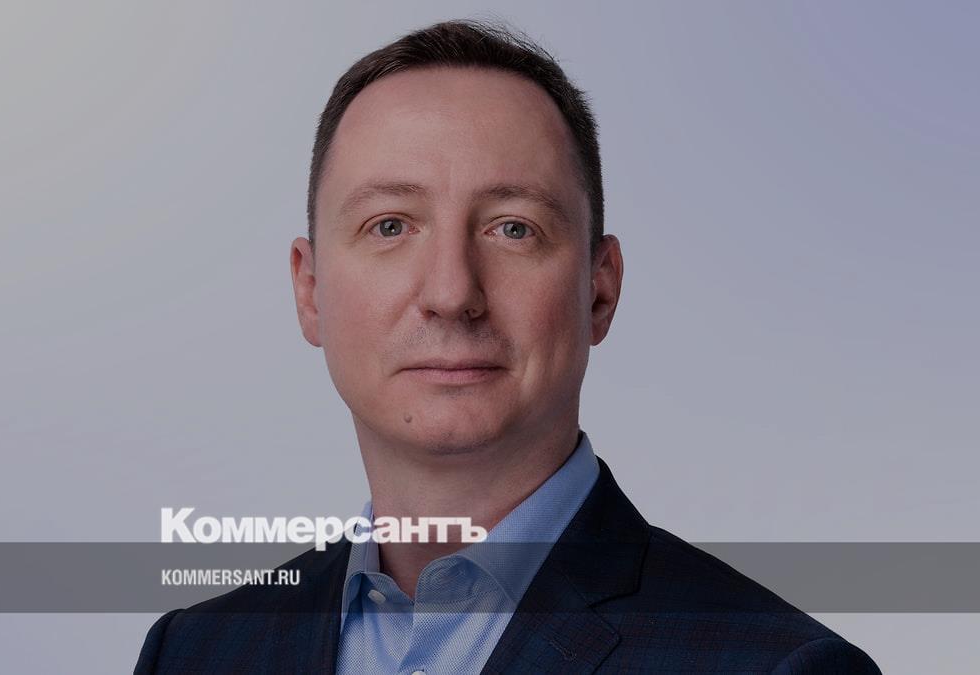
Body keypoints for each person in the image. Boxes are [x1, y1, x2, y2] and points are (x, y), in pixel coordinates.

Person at [135, 20, 881, 674]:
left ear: (600, 289)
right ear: (310, 291)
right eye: (390, 225)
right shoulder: (193, 652)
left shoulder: (778, 666)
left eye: (513, 229)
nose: (451, 291)